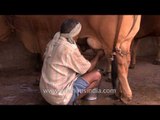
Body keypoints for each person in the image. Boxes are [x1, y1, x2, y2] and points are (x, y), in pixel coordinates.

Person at [39, 18, 104, 105]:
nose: (78, 36)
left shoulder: (53, 41)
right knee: (97, 75)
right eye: (77, 34)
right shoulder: (69, 49)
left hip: (45, 92)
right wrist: (98, 55)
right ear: (72, 35)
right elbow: (89, 68)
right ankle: (72, 100)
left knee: (77, 71)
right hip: (59, 98)